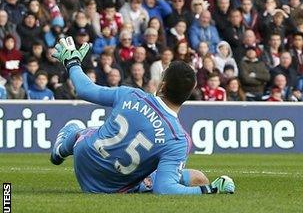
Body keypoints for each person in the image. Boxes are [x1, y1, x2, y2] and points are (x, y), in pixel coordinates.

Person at [49, 37, 235, 194]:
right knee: (199, 179)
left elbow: (84, 89)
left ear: (162, 86)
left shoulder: (132, 94)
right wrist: (210, 189)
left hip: (85, 158)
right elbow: (165, 188)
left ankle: (60, 151)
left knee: (79, 130)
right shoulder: (179, 139)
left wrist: (72, 63)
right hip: (109, 187)